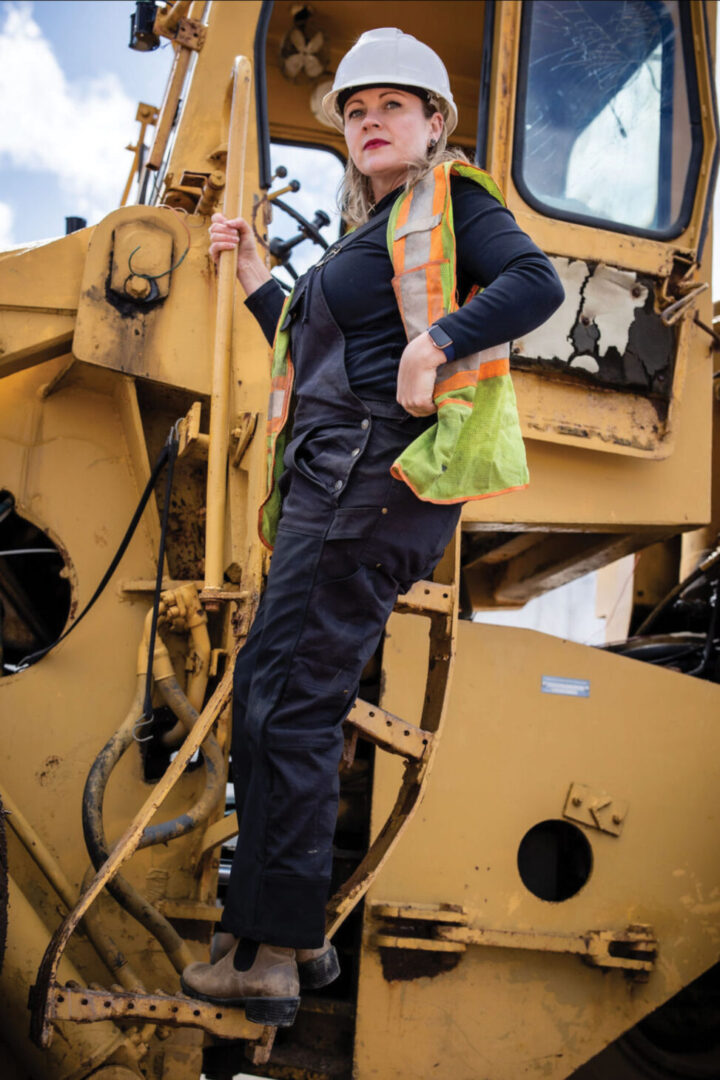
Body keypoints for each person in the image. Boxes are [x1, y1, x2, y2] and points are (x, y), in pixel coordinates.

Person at [181, 28, 564, 1026]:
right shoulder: (380, 230)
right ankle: (281, 936)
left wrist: (439, 341)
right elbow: (318, 350)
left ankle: (265, 957)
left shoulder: (453, 200)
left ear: (434, 123)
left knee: (291, 709)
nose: (367, 122)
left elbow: (536, 283)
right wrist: (263, 275)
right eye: (355, 111)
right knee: (269, 698)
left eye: (392, 106)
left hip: (366, 484)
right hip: (327, 485)